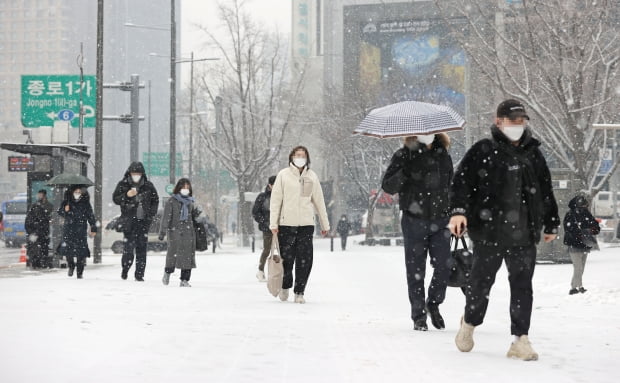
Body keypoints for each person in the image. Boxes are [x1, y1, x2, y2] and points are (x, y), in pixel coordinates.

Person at [449, 99, 559, 361]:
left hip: (524, 233)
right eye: (513, 120)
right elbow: (461, 184)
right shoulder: (482, 150)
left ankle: (520, 340)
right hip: (489, 233)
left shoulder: (533, 153)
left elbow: (545, 189)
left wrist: (552, 221)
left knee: (522, 286)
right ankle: (469, 322)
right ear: (498, 121)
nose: (518, 125)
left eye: (522, 121)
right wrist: (458, 212)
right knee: (480, 283)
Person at [382, 133, 453, 331]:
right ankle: (418, 315)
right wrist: (405, 172)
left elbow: (451, 185)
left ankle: (434, 303)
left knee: (444, 265)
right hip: (414, 220)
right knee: (415, 270)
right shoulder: (403, 155)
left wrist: (455, 213)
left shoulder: (443, 155)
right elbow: (387, 186)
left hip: (441, 219)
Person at [270, 146, 330, 304]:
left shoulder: (312, 176)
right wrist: (273, 223)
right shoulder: (283, 175)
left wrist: (325, 224)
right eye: (297, 155)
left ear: (307, 158)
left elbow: (319, 201)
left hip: (306, 225)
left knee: (305, 259)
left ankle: (299, 291)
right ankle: (285, 285)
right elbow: (276, 201)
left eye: (303, 155)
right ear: (291, 157)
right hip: (286, 224)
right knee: (287, 260)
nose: (300, 157)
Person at [112, 162, 159, 281]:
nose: (136, 175)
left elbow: (155, 200)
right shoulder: (123, 184)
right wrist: (126, 195)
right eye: (134, 173)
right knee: (128, 249)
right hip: (128, 223)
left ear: (142, 174)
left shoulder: (148, 186)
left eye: (138, 173)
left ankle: (139, 274)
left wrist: (150, 214)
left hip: (143, 222)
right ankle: (125, 268)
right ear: (129, 173)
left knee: (142, 249)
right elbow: (115, 199)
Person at [158, 178, 200, 287]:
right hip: (175, 232)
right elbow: (166, 217)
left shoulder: (191, 201)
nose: (186, 189)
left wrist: (197, 215)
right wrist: (162, 231)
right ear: (179, 188)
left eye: (187, 187)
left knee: (187, 256)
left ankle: (184, 279)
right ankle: (167, 272)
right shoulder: (171, 201)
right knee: (172, 255)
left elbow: (194, 218)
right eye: (183, 187)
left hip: (188, 232)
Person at [563, 194, 600, 295]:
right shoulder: (570, 214)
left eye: (585, 206)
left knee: (581, 268)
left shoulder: (586, 213)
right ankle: (577, 287)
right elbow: (568, 229)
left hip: (584, 244)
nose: (584, 208)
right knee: (578, 267)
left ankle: (575, 286)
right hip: (574, 245)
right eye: (582, 206)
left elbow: (594, 224)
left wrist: (593, 229)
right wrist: (579, 235)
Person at [57, 186, 97, 279]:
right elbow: (60, 212)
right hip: (68, 229)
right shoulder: (66, 202)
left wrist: (93, 228)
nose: (77, 193)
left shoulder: (85, 203)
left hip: (81, 230)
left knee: (81, 252)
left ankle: (80, 272)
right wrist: (65, 210)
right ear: (72, 192)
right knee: (68, 251)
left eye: (79, 192)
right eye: (76, 191)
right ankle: (71, 266)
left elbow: (91, 216)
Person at [252, 175, 276, 282]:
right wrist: (265, 222)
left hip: (281, 228)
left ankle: (280, 271)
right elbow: (255, 212)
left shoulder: (283, 196)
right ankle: (260, 270)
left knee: (284, 251)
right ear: (269, 185)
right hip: (267, 228)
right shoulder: (262, 197)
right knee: (267, 250)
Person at [25, 189, 54, 269]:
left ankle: (41, 263)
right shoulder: (35, 205)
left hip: (43, 231)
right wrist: (31, 231)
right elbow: (28, 220)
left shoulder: (48, 206)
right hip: (37, 231)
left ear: (44, 195)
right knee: (35, 249)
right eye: (39, 194)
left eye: (40, 194)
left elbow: (50, 217)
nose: (39, 196)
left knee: (43, 248)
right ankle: (36, 263)